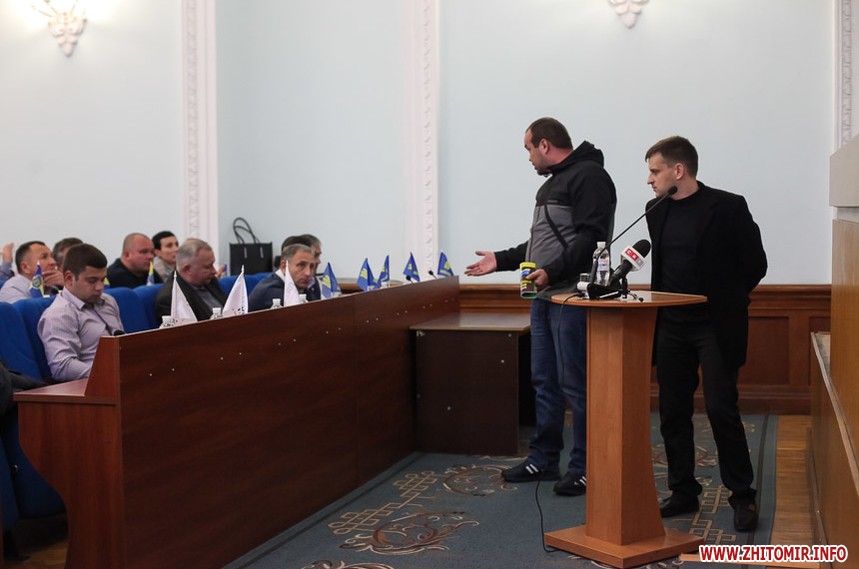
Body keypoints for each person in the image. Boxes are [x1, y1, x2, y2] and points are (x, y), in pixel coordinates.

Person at [464, 117, 616, 496]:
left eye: (529, 149)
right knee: (544, 381)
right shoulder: (553, 183)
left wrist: (552, 272)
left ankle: (584, 467)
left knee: (575, 386)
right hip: (544, 297)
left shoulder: (589, 176)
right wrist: (500, 259)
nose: (529, 157)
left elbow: (592, 238)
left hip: (572, 298)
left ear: (544, 145)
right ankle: (544, 459)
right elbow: (542, 244)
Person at [643, 135, 767, 532]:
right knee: (672, 411)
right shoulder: (655, 210)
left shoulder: (728, 207)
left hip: (714, 326)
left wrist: (729, 300)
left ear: (678, 170)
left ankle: (742, 495)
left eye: (655, 171)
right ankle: (683, 490)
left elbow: (755, 264)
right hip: (672, 326)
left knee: (720, 409)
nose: (650, 179)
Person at [37, 244, 123, 382]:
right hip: (94, 385)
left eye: (102, 280)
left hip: (122, 377)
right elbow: (62, 366)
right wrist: (110, 374)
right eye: (92, 281)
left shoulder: (108, 301)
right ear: (69, 278)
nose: (100, 287)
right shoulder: (59, 315)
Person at [154, 238, 226, 322]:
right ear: (188, 269)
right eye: (208, 267)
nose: (214, 271)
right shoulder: (171, 299)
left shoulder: (210, 281)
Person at [248, 243, 320, 311]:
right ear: (284, 266)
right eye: (301, 265)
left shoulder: (306, 285)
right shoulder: (271, 291)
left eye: (311, 267)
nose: (308, 273)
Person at [0, 241, 64, 303]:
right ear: (25, 267)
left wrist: (66, 285)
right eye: (44, 257)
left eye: (52, 257)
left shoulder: (54, 287)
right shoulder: (12, 289)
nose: (53, 262)